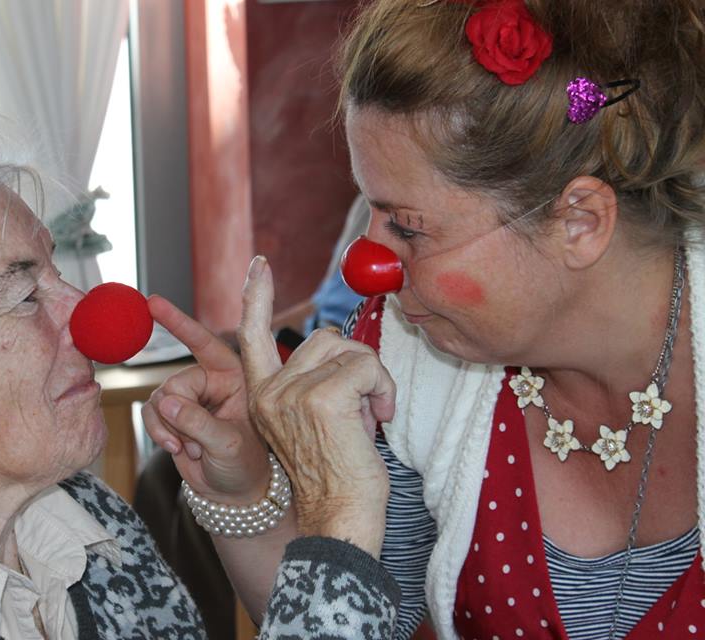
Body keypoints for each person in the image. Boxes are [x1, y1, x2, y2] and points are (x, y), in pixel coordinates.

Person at [143, 0, 705, 638]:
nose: (366, 266)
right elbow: (358, 618)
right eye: (370, 212)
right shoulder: (398, 359)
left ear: (578, 222)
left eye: (407, 226)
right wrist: (244, 491)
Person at [0, 114, 396, 639]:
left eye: (55, 273)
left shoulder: (82, 516)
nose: (86, 313)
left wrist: (240, 496)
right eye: (24, 295)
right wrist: (340, 518)